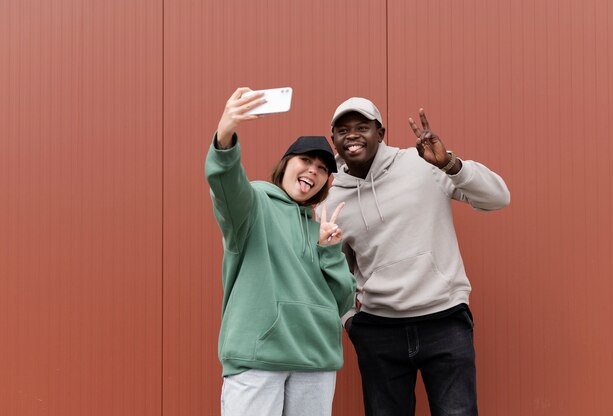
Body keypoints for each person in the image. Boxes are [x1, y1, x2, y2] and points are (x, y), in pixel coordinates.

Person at [322, 97, 511, 416]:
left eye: (362, 127)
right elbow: (331, 269)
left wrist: (450, 164)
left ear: (380, 133)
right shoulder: (332, 197)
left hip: (444, 319)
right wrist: (348, 319)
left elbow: (498, 198)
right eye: (343, 130)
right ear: (334, 141)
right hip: (378, 329)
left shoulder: (424, 163)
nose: (352, 135)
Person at [205, 88, 357, 416]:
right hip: (258, 357)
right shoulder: (253, 205)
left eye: (322, 168)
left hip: (315, 360)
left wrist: (330, 252)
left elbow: (343, 302)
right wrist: (225, 135)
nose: (313, 171)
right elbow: (226, 186)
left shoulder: (321, 229)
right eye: (306, 160)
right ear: (286, 163)